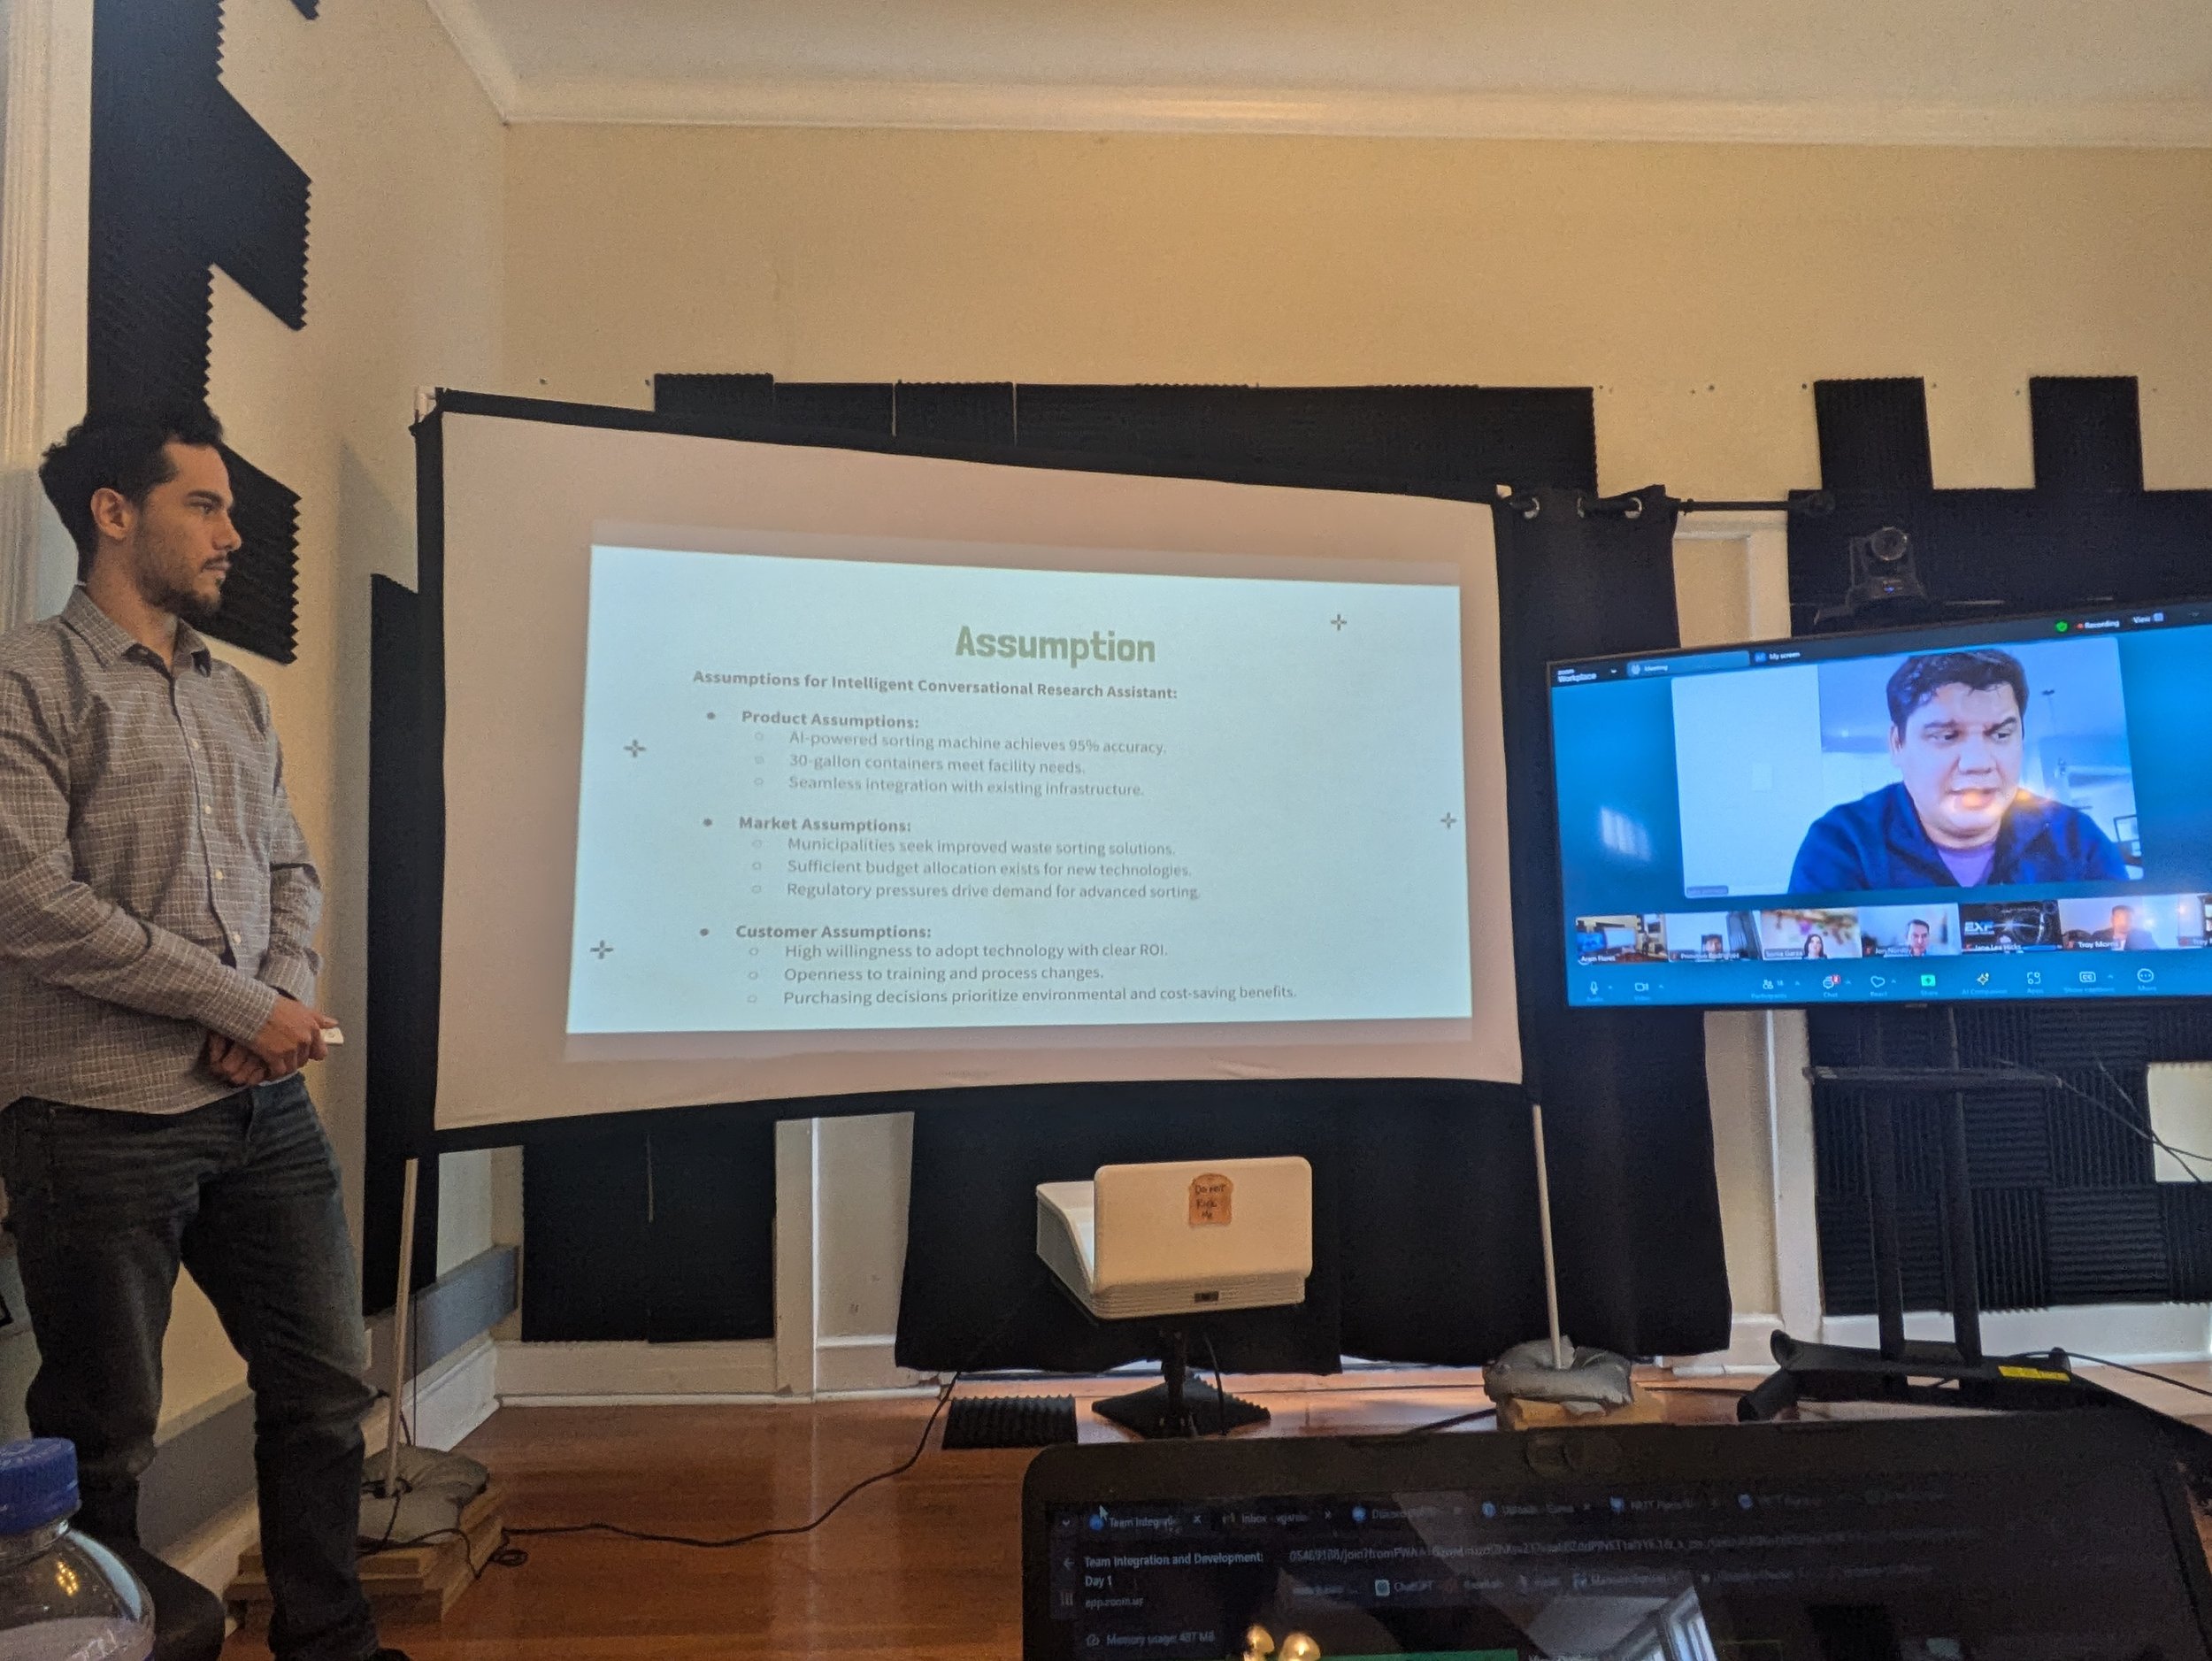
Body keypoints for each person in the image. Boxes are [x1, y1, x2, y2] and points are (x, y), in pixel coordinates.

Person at [0, 408, 406, 1661]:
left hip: (261, 1108)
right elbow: (30, 901)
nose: (234, 533)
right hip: (94, 1118)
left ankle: (329, 1642)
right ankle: (117, 1649)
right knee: (106, 1433)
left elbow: (293, 870)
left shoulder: (239, 697)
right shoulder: (26, 681)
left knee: (326, 1384)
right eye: (206, 505)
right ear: (114, 512)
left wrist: (276, 1005)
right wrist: (240, 1007)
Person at [1788, 649, 2129, 894]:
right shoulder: (1841, 843)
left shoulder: (2078, 839)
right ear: (1897, 744)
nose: (1978, 763)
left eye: (2001, 734)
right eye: (1946, 736)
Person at [2094, 903, 2159, 950]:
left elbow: (2157, 955)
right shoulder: (2099, 936)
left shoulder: (2144, 936)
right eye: (2119, 918)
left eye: (2128, 919)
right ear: (2112, 920)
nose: (2124, 922)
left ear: (2133, 920)